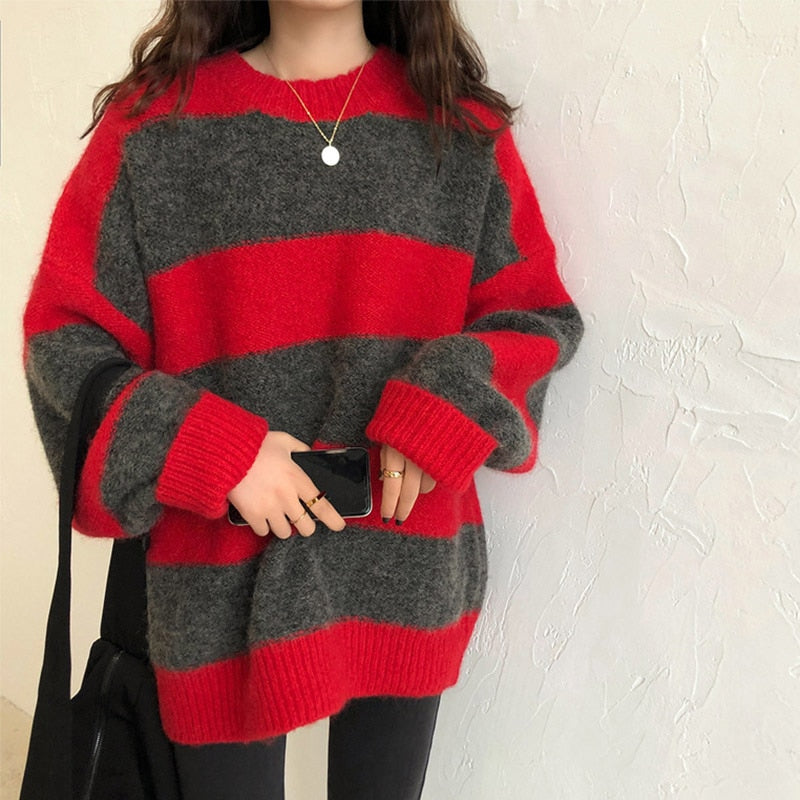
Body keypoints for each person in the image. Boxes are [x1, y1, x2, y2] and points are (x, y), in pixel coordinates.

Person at [21, 0, 584, 797]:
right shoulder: (154, 130)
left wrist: (443, 408)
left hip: (405, 570)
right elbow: (65, 341)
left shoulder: (462, 132)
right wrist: (213, 452)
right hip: (216, 588)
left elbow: (534, 317)